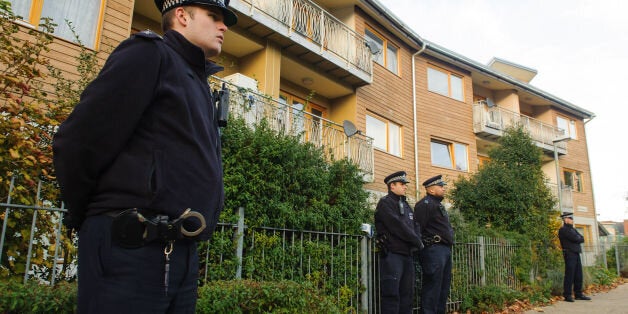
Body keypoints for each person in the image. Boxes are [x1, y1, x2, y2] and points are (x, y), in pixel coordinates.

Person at [52, 0, 237, 312]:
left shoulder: (200, 85)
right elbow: (78, 142)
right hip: (130, 248)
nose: (224, 27)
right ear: (182, 15)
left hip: (181, 255)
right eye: (214, 16)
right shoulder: (149, 54)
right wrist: (92, 219)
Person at [374, 171, 423, 313]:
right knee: (391, 295)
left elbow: (416, 225)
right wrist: (416, 240)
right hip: (392, 255)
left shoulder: (406, 205)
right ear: (392, 186)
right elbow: (397, 226)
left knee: (407, 295)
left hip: (407, 255)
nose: (405, 187)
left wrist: (418, 239)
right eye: (402, 184)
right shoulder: (385, 203)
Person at [414, 175, 453, 314]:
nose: (443, 188)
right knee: (432, 288)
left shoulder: (437, 205)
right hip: (433, 250)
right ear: (430, 190)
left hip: (444, 250)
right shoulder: (424, 205)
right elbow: (418, 228)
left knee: (443, 288)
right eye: (440, 186)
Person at [558, 212, 591, 302]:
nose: (572, 220)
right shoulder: (563, 230)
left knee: (578, 274)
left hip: (576, 253)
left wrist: (578, 238)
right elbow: (576, 238)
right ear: (565, 219)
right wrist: (578, 238)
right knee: (570, 274)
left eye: (572, 218)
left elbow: (582, 238)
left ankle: (578, 294)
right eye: (570, 218)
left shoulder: (573, 229)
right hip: (569, 254)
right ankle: (567, 295)